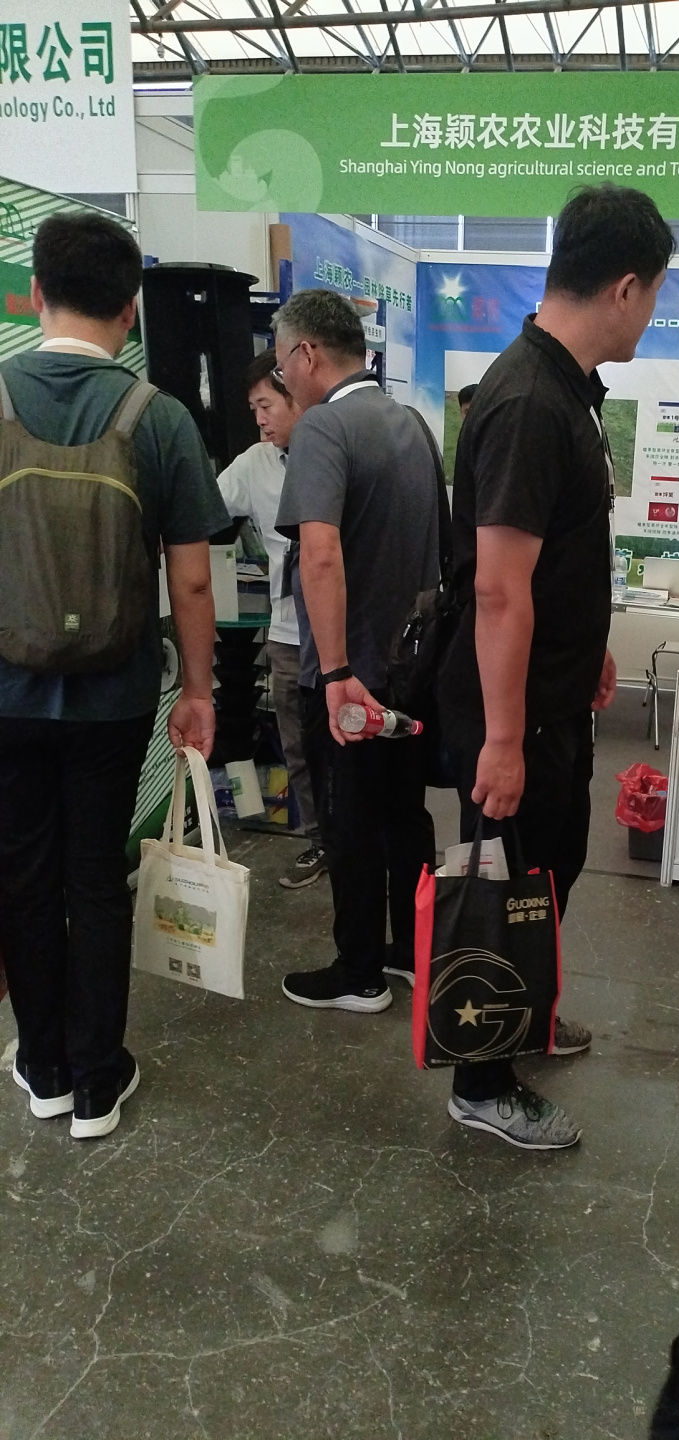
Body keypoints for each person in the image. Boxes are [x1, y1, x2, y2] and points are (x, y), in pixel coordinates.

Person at [436, 184, 676, 1150]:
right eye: (653, 295)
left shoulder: (565, 389)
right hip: (514, 715)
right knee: (507, 884)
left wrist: (585, 658)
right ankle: (482, 1079)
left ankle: (523, 1016)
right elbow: (498, 590)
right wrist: (502, 739)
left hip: (549, 700)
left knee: (548, 871)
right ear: (625, 288)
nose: (650, 315)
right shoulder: (531, 400)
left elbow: (555, 563)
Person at [0, 212, 227, 1139]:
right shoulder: (158, 416)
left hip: (6, 696)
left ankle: (43, 1067)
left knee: (22, 876)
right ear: (130, 311)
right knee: (96, 876)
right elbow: (194, 579)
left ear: (34, 296)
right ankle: (98, 1080)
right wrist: (200, 691)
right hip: (115, 696)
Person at [272, 289, 439, 1012]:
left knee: (349, 825)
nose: (283, 378)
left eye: (282, 363)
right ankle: (411, 951)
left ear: (307, 353)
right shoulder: (412, 422)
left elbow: (320, 553)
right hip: (409, 670)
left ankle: (360, 972)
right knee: (405, 815)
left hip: (346, 678)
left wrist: (337, 669)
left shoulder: (323, 428)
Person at [216, 350, 326, 890]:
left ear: (296, 398)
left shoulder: (334, 449)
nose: (260, 419)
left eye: (267, 406)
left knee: (349, 743)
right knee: (297, 745)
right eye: (254, 408)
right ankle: (320, 841)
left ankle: (361, 840)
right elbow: (204, 508)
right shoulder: (254, 463)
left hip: (341, 629)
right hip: (286, 633)